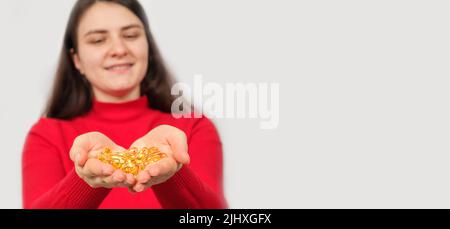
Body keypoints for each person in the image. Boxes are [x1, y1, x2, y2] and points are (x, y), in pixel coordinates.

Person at [22, 0, 227, 209]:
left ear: (147, 46)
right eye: (98, 40)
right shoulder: (47, 135)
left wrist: (172, 174)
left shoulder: (192, 126)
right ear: (76, 60)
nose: (119, 49)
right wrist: (86, 179)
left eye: (131, 35)